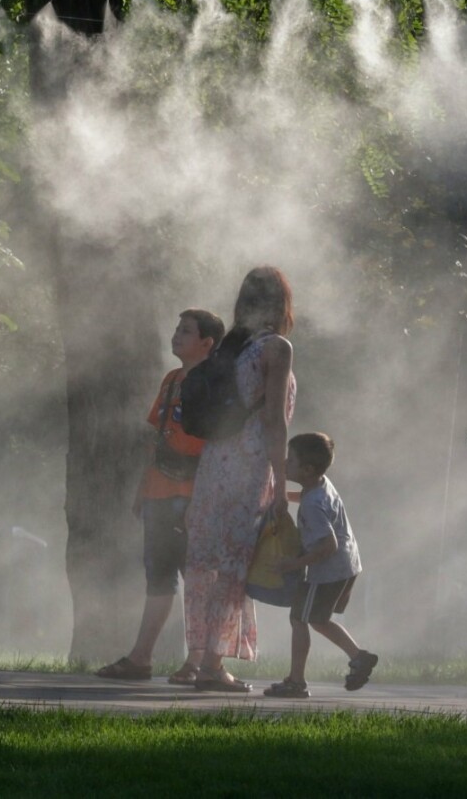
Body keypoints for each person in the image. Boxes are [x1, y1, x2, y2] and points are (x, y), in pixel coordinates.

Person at [96, 308, 225, 685]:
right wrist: (142, 487)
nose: (176, 335)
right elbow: (158, 437)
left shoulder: (211, 384)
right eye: (176, 329)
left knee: (198, 580)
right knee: (159, 578)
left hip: (190, 496)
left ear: (207, 343)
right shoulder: (171, 380)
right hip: (158, 491)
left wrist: (201, 499)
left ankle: (196, 662)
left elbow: (213, 448)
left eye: (186, 331)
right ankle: (141, 659)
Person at [183, 265, 296, 693]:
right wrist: (282, 482)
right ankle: (213, 665)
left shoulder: (233, 349)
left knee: (207, 562)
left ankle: (199, 658)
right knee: (233, 564)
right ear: (282, 304)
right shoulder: (276, 348)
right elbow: (273, 422)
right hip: (249, 467)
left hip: (214, 464)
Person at [265, 431, 377, 698]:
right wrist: (279, 497)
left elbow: (327, 546)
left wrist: (293, 564)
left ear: (307, 469)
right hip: (345, 565)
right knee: (317, 619)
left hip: (327, 570)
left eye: (290, 461)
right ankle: (359, 657)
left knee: (299, 618)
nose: (284, 463)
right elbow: (307, 499)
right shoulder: (319, 485)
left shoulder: (313, 505)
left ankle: (296, 682)